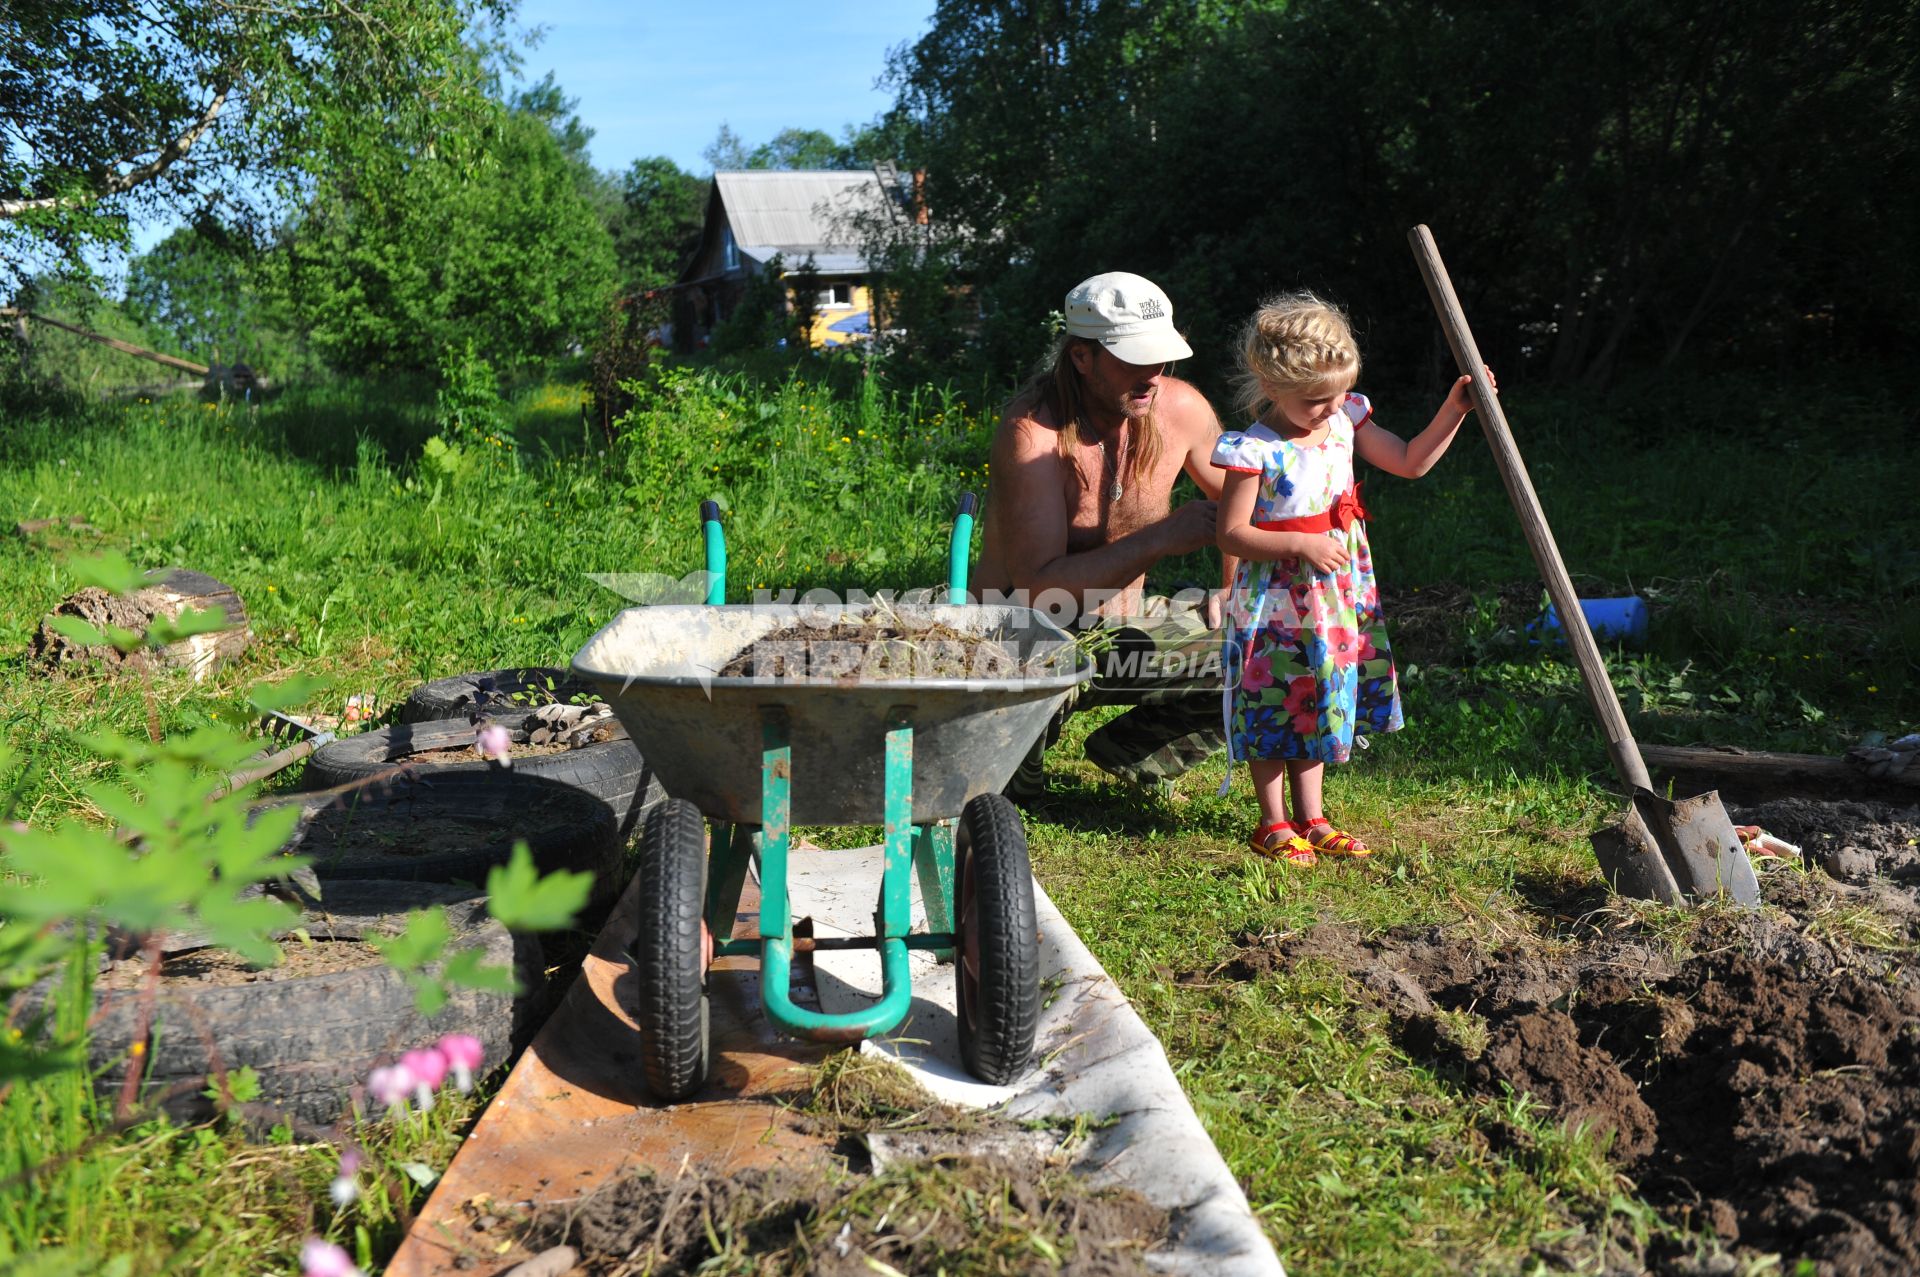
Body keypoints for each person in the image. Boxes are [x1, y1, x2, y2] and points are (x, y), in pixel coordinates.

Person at [1214, 291, 1493, 864]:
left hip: (1335, 593)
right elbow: (1232, 534)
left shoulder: (1345, 419)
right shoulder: (1255, 450)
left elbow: (1411, 460)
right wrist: (1298, 541)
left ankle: (1312, 817)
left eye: (1340, 393)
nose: (1331, 407)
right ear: (1271, 388)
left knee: (1319, 692)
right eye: (1316, 399)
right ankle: (1272, 823)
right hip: (1276, 598)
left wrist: (1456, 409)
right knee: (1273, 696)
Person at [974, 271, 1234, 797]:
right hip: (1024, 642)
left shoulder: (1181, 409)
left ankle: (1131, 753)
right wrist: (1160, 538)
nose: (1151, 375)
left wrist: (1234, 587)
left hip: (1123, 633)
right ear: (1081, 357)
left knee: (1275, 644)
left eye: (1159, 359)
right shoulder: (1034, 435)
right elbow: (1036, 586)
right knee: (1006, 790)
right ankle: (1016, 759)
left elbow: (1240, 500)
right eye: (1132, 360)